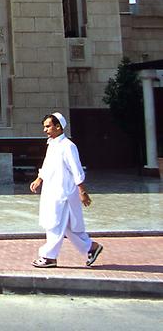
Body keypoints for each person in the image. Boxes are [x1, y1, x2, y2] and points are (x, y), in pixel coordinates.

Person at [29, 112, 103, 268]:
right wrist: (39, 179)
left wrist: (82, 191)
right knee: (69, 227)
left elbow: (77, 170)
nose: (45, 130)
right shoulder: (53, 145)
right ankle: (91, 247)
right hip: (52, 191)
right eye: (44, 127)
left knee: (54, 224)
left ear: (58, 127)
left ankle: (49, 257)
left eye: (48, 126)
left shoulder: (68, 146)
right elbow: (48, 166)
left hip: (63, 194)